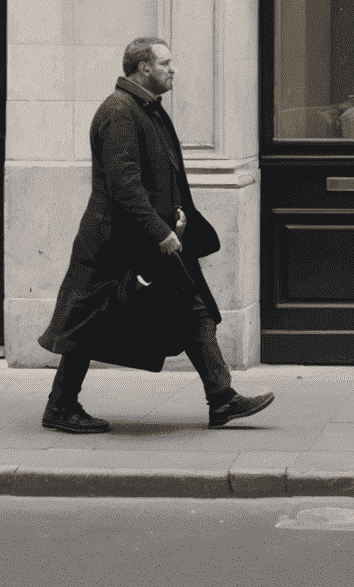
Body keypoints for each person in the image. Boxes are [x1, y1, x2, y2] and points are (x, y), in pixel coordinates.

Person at [38, 37, 275, 435]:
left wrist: (176, 212)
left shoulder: (144, 108)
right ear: (143, 67)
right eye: (165, 63)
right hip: (114, 245)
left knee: (193, 309)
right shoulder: (119, 112)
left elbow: (159, 174)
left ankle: (221, 399)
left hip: (142, 239)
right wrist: (160, 230)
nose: (173, 69)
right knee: (86, 325)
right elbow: (124, 186)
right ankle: (60, 406)